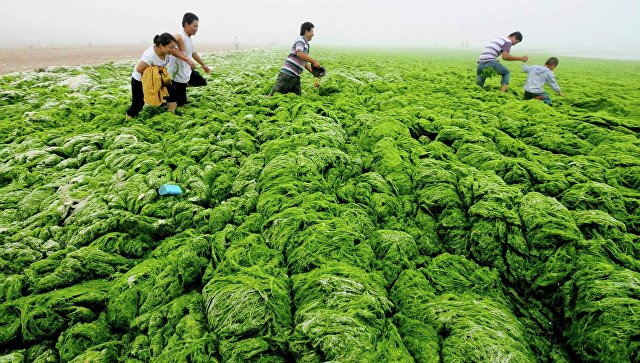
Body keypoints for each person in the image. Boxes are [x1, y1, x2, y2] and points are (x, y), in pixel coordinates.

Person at [126, 33, 178, 118]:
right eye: (171, 47)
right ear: (161, 45)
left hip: (157, 77)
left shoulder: (166, 52)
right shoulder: (150, 56)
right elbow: (139, 69)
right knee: (138, 104)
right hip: (140, 81)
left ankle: (170, 115)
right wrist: (158, 70)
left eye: (174, 47)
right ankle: (127, 119)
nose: (173, 50)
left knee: (172, 92)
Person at [167, 12, 211, 106]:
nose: (197, 29)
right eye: (195, 26)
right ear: (186, 24)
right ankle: (167, 98)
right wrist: (186, 59)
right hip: (176, 75)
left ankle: (179, 90)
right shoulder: (180, 35)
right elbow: (170, 47)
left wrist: (203, 65)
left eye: (197, 26)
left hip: (185, 71)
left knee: (201, 81)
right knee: (181, 104)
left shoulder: (189, 38)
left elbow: (193, 53)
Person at [269, 22, 321, 96]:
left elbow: (304, 61)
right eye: (312, 31)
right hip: (287, 75)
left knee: (296, 98)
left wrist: (313, 72)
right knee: (273, 96)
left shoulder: (305, 44)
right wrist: (314, 61)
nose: (313, 34)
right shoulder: (301, 40)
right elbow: (299, 53)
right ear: (306, 31)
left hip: (295, 77)